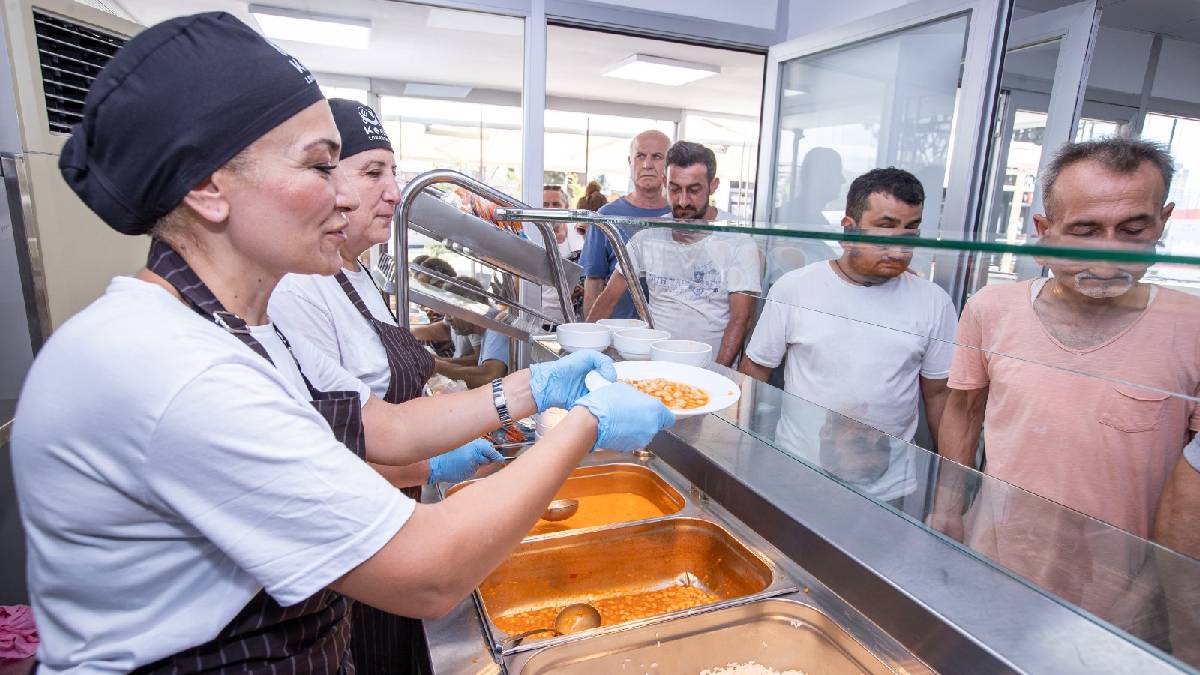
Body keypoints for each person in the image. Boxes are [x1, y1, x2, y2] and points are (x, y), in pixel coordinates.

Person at [10, 13, 674, 672]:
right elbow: (429, 572)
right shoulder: (172, 367)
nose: (347, 198)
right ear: (207, 187)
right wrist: (585, 424)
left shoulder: (241, 327)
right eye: (320, 166)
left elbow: (384, 426)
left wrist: (536, 387)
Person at [267, 98, 493, 674]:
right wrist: (437, 463)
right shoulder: (296, 290)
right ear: (325, 182)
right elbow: (329, 463)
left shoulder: (357, 270)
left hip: (395, 509)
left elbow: (383, 409)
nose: (394, 191)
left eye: (393, 172)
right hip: (360, 537)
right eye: (373, 172)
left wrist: (487, 406)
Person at [936, 137, 1200, 541]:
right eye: (1085, 231)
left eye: (1132, 230)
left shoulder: (1192, 324)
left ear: (1161, 222)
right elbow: (964, 411)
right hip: (997, 546)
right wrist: (947, 507)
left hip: (1125, 570)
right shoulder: (991, 308)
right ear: (1045, 231)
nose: (1108, 258)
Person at [740, 168, 956, 481]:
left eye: (910, 234)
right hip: (798, 470)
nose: (898, 251)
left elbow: (939, 397)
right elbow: (755, 373)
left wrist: (951, 484)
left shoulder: (934, 302)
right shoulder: (795, 288)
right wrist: (743, 453)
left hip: (889, 485)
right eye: (885, 232)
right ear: (848, 231)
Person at [586, 141, 762, 366]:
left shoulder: (737, 241)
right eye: (675, 189)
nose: (683, 201)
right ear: (664, 183)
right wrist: (584, 348)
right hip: (654, 365)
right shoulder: (648, 236)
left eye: (694, 190)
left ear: (713, 185)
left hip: (707, 367)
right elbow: (609, 297)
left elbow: (741, 319)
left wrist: (716, 373)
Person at [580, 130, 671, 319]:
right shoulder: (605, 216)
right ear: (630, 162)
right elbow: (593, 282)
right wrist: (591, 333)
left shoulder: (681, 217)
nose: (647, 164)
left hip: (667, 332)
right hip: (617, 332)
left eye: (657, 157)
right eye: (640, 156)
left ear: (670, 164)